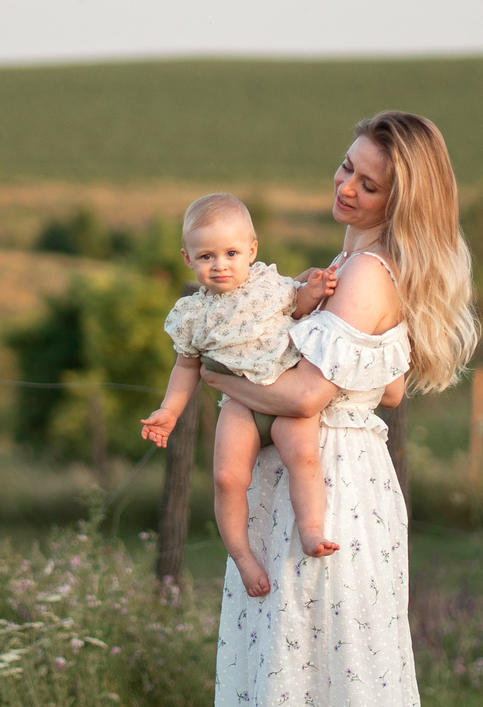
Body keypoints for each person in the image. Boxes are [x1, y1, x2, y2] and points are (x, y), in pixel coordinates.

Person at [186, 111, 482, 707]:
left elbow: (306, 393)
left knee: (333, 673)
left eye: (368, 181)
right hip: (332, 470)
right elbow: (388, 384)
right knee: (326, 670)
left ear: (402, 199)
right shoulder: (353, 263)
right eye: (346, 167)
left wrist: (214, 369)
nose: (346, 186)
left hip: (336, 481)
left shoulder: (369, 273)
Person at [140, 192, 338, 599]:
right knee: (227, 478)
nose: (220, 265)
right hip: (240, 404)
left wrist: (314, 291)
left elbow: (298, 307)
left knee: (303, 456)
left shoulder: (268, 286)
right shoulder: (191, 314)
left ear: (252, 250)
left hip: (285, 391)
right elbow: (186, 368)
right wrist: (169, 411)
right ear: (188, 259)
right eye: (206, 256)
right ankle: (243, 558)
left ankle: (311, 529)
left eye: (231, 253)